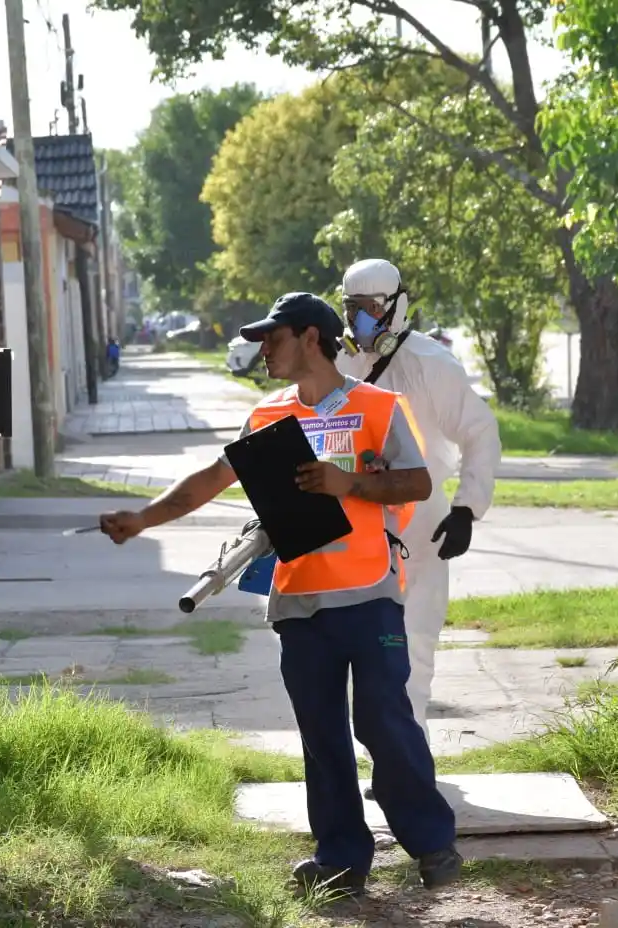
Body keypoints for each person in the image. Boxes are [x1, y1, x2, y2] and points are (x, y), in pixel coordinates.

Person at [99, 292, 463, 898]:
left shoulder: (376, 407)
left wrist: (349, 483)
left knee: (384, 721)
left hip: (370, 595)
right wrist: (142, 518)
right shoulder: (267, 416)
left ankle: (432, 843)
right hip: (297, 604)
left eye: (274, 338)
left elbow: (418, 482)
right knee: (322, 739)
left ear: (311, 339)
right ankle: (341, 860)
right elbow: (210, 481)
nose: (263, 349)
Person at [335, 258, 501, 747]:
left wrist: (467, 508)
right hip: (355, 521)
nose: (358, 320)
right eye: (350, 308)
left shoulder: (430, 364)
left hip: (419, 522)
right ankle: (383, 754)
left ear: (397, 306)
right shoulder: (340, 365)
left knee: (413, 642)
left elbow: (480, 431)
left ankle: (408, 755)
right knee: (359, 649)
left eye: (369, 308)